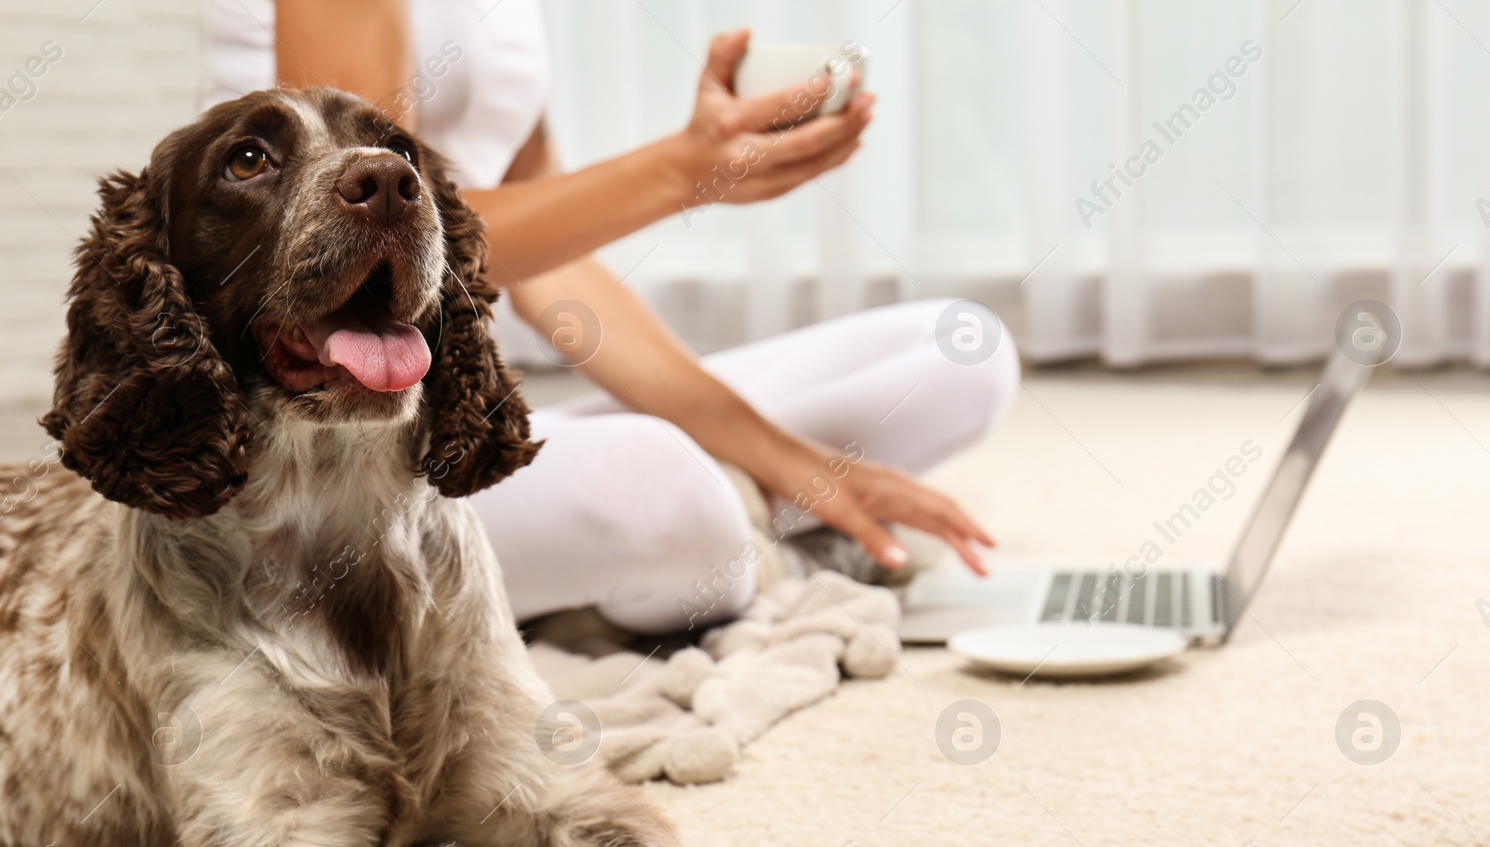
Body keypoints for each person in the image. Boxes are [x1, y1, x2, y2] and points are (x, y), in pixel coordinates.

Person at [203, 0, 1019, 633]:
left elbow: (555, 276)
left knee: (959, 356)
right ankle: (697, 520)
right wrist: (681, 171)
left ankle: (725, 507)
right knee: (667, 493)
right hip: (321, 459)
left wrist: (789, 458)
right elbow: (360, 234)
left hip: (441, 416)